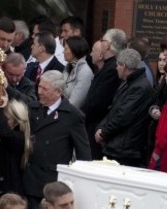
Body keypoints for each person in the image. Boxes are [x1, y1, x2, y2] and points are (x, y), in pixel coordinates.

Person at [23, 70, 91, 209]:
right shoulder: (34, 109)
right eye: (39, 87)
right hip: (29, 178)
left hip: (50, 181)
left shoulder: (73, 116)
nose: (39, 92)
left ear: (58, 92)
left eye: (44, 89)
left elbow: (83, 153)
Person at [95, 48, 155, 167]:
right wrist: (100, 128)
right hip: (117, 145)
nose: (116, 68)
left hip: (125, 150)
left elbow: (123, 115)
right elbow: (114, 109)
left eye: (117, 65)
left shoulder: (139, 87)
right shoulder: (128, 83)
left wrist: (104, 133)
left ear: (123, 66)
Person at [81, 28, 126, 159]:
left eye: (103, 40)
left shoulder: (112, 69)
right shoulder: (108, 66)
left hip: (96, 125)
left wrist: (79, 117)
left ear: (108, 45)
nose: (101, 43)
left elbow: (98, 101)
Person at [0, 98, 33, 199]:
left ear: (16, 121)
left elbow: (5, 135)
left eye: (5, 119)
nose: (0, 121)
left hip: (9, 193)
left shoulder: (19, 138)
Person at [62, 36, 94, 109]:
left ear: (74, 50)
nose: (63, 51)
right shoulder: (68, 67)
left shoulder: (85, 72)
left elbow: (75, 103)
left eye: (66, 49)